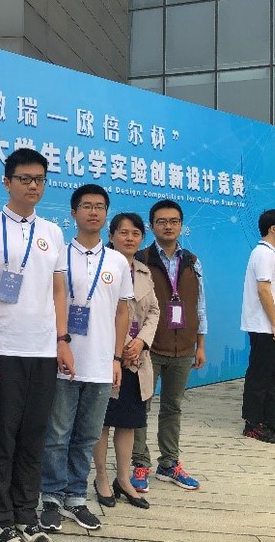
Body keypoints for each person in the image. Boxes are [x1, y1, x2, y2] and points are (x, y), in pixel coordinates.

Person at [0, 148, 73, 542]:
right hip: (5, 349)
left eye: (39, 180)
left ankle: (25, 512)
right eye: (24, 179)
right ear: (7, 182)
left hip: (43, 351)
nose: (33, 186)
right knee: (1, 436)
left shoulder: (52, 232)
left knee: (34, 436)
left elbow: (59, 290)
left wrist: (62, 340)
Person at [39, 184, 131, 533]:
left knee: (88, 436)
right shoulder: (58, 255)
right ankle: (51, 497)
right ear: (73, 213)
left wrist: (116, 358)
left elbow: (122, 312)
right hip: (64, 361)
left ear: (106, 214)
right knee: (57, 435)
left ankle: (76, 497)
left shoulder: (117, 260)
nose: (94, 212)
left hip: (101, 364)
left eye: (100, 206)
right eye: (87, 206)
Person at [130, 200, 206, 492]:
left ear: (181, 225)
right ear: (151, 226)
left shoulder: (192, 261)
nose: (168, 226)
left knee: (173, 407)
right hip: (148, 348)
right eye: (161, 221)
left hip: (184, 348)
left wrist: (200, 344)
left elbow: (200, 306)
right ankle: (140, 463)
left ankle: (169, 463)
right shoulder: (140, 259)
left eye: (174, 221)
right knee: (141, 407)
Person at [93, 213, 159, 511]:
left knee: (128, 423)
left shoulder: (144, 271)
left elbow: (154, 311)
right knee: (102, 423)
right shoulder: (101, 265)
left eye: (135, 233)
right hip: (107, 357)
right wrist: (121, 346)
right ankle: (101, 478)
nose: (129, 238)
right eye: (123, 232)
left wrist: (141, 341)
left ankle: (123, 478)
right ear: (111, 236)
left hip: (136, 360)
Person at [240, 209, 275, 444]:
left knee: (272, 376)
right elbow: (263, 290)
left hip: (273, 327)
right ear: (273, 228)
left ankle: (269, 419)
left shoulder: (271, 253)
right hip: (265, 326)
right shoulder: (262, 254)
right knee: (259, 376)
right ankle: (252, 424)